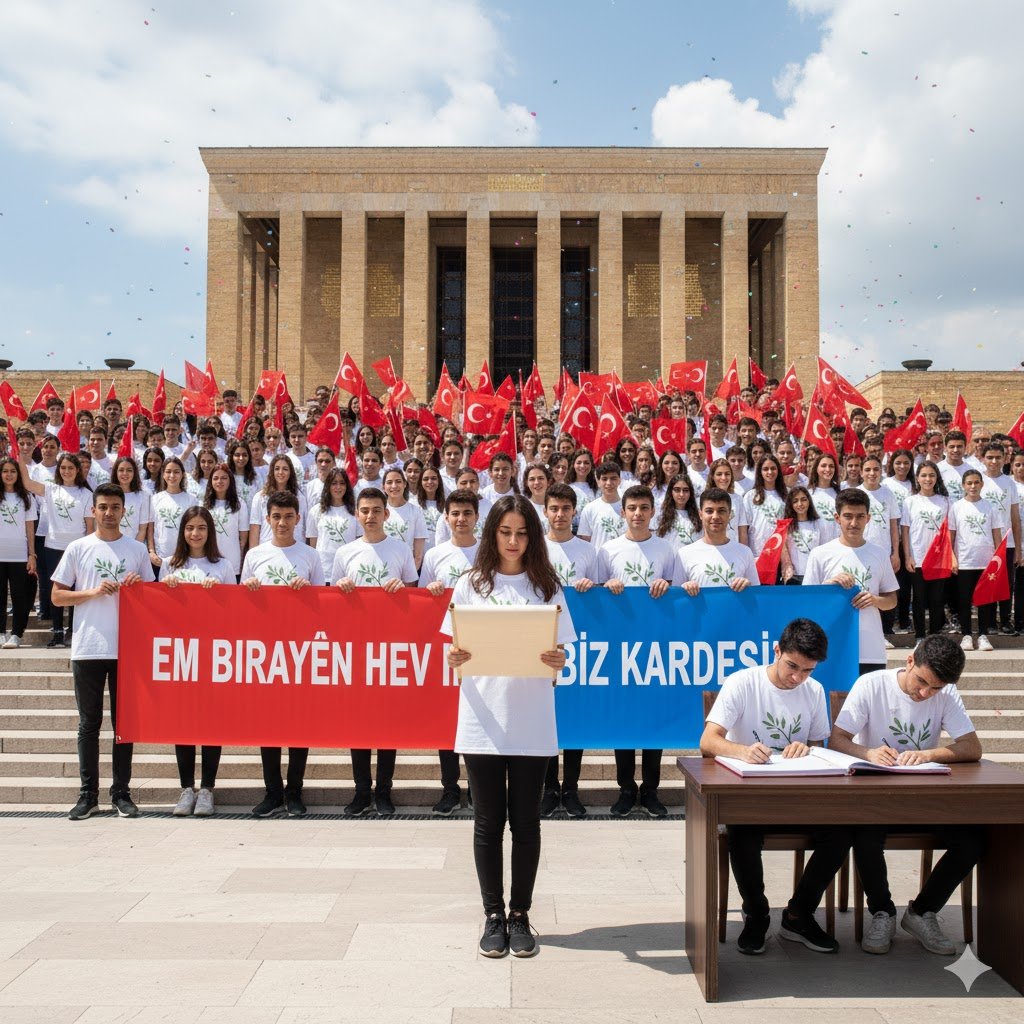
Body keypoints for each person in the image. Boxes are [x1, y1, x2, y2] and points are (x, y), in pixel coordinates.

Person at [443, 494, 575, 959]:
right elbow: (452, 650)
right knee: (486, 822)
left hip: (532, 720)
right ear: (492, 533)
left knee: (526, 822)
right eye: (505, 532)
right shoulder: (470, 584)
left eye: (522, 533)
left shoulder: (547, 588)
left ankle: (520, 915)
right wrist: (454, 656)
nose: (514, 541)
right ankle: (492, 915)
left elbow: (563, 656)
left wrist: (560, 659)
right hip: (481, 719)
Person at [700, 618, 850, 955]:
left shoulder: (813, 691)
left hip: (798, 795)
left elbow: (818, 747)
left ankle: (799, 914)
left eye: (807, 670)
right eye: (792, 666)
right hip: (751, 796)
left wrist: (807, 748)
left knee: (841, 832)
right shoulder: (743, 683)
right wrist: (742, 750)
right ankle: (756, 913)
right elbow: (708, 740)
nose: (797, 677)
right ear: (777, 650)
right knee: (743, 834)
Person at [830, 635, 983, 956]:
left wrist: (930, 754)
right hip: (875, 794)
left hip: (924, 794)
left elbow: (972, 747)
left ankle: (922, 912)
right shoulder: (871, 684)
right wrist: (868, 752)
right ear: (910, 661)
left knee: (971, 840)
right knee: (866, 834)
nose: (926, 693)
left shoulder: (946, 693)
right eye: (922, 682)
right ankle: (882, 912)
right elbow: (838, 739)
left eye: (936, 688)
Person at [50, 483, 155, 819]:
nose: (109, 513)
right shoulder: (78, 548)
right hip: (88, 646)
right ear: (93, 510)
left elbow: (153, 598)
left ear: (125, 511)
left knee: (123, 725)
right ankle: (88, 794)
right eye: (103, 507)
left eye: (115, 507)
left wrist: (140, 590)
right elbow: (56, 596)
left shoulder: (136, 549)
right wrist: (92, 592)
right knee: (88, 725)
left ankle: (121, 793)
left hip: (128, 649)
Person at [333, 487, 419, 816]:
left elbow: (414, 598)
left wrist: (401, 591)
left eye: (376, 510)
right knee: (359, 723)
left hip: (390, 649)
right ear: (357, 514)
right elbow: (333, 604)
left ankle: (384, 791)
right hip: (356, 650)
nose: (370, 516)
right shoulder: (345, 553)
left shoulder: (400, 550)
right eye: (364, 510)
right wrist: (341, 591)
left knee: (387, 723)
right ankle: (360, 790)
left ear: (387, 514)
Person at [241, 490, 326, 817]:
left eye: (288, 517)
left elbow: (322, 605)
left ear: (298, 519)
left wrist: (308, 596)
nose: (282, 522)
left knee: (298, 723)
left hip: (299, 650)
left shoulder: (310, 556)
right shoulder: (255, 555)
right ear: (267, 519)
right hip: (265, 652)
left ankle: (295, 791)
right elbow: (242, 608)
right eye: (276, 517)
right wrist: (249, 595)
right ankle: (272, 791)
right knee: (268, 724)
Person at [600, 484, 679, 819]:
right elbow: (594, 596)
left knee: (653, 721)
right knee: (622, 720)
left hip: (656, 649)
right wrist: (607, 587)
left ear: (652, 512)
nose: (637, 513)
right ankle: (625, 789)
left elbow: (680, 594)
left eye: (644, 507)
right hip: (620, 649)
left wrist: (668, 586)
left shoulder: (666, 550)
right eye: (631, 507)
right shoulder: (607, 551)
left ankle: (650, 790)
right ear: (623, 512)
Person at [160, 507, 236, 816]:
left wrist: (217, 596)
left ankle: (207, 788)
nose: (195, 533)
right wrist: (167, 592)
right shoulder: (169, 564)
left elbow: (235, 610)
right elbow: (158, 611)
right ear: (182, 531)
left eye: (201, 528)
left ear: (210, 532)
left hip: (213, 654)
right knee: (184, 723)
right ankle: (185, 788)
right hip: (181, 655)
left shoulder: (223, 565)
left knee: (210, 723)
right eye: (190, 528)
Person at [419, 488, 482, 816]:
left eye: (467, 514)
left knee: (477, 718)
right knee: (447, 720)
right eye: (455, 514)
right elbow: (422, 606)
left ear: (476, 517)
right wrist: (430, 593)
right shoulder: (434, 555)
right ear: (446, 517)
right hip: (445, 647)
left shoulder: (488, 553)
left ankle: (476, 788)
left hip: (481, 650)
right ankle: (449, 787)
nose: (461, 519)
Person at [541, 483, 598, 818]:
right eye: (554, 508)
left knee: (574, 715)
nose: (559, 514)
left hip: (582, 644)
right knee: (548, 717)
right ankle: (549, 788)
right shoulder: (534, 549)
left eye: (565, 508)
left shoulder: (589, 552)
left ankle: (571, 788)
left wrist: (594, 589)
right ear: (545, 511)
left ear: (574, 513)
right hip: (543, 644)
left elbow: (605, 596)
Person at [803, 488, 898, 675]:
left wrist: (874, 600)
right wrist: (829, 587)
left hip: (870, 650)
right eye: (848, 516)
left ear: (868, 518)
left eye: (860, 516)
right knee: (835, 702)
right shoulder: (820, 554)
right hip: (832, 647)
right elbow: (808, 603)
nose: (854, 523)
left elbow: (891, 600)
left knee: (870, 703)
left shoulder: (879, 553)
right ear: (837, 518)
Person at [19, 450, 94, 648]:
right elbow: (27, 483)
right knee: (58, 591)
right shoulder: (51, 489)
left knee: (76, 591)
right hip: (53, 547)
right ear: (58, 470)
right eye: (63, 468)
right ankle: (58, 631)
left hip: (78, 549)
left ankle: (73, 630)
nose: (67, 471)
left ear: (78, 470)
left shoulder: (86, 494)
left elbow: (90, 527)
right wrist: (20, 457)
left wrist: (88, 549)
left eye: (71, 468)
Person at [949, 468, 1001, 652]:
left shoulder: (990, 506)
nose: (973, 486)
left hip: (986, 563)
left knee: (985, 601)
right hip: (964, 562)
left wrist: (997, 559)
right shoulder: (956, 507)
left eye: (976, 482)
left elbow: (996, 534)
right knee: (963, 600)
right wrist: (953, 558)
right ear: (963, 485)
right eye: (969, 483)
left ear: (982, 484)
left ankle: (984, 635)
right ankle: (967, 635)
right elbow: (951, 536)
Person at [900, 461, 951, 639]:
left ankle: (935, 635)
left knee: (937, 599)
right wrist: (907, 557)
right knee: (919, 599)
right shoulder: (910, 502)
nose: (927, 479)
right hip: (918, 557)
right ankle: (920, 636)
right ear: (917, 478)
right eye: (924, 475)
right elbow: (905, 531)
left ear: (937, 478)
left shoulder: (945, 501)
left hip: (939, 558)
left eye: (931, 475)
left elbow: (949, 531)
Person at [676, 487, 760, 593]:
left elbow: (757, 596)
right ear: (700, 514)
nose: (715, 516)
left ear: (730, 515)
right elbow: (676, 600)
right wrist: (684, 588)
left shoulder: (745, 552)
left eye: (721, 511)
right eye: (709, 511)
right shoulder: (684, 554)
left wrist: (748, 586)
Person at [980, 442, 1022, 635]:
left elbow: (1015, 517)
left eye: (998, 457)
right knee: (989, 582)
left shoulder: (1009, 483)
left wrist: (1019, 549)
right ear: (983, 459)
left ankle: (1005, 621)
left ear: (1005, 459)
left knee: (1007, 583)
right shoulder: (978, 480)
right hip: (984, 543)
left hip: (1008, 543)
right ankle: (988, 622)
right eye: (990, 457)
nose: (994, 461)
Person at [0, 457, 37, 649]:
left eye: (12, 471)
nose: (9, 475)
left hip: (19, 554)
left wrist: (32, 554)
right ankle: (1, 632)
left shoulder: (27, 497)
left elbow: (29, 527)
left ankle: (16, 634)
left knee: (19, 596)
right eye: (5, 471)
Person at [307, 467, 360, 583]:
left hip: (348, 571)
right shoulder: (316, 511)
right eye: (334, 483)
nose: (338, 487)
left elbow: (359, 543)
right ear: (328, 486)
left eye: (342, 483)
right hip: (323, 571)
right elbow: (313, 546)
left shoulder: (356, 511)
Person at [577, 461, 625, 548]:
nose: (609, 483)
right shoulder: (589, 509)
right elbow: (585, 541)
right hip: (597, 560)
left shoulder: (628, 508)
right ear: (598, 481)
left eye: (613, 478)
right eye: (604, 479)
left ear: (619, 480)